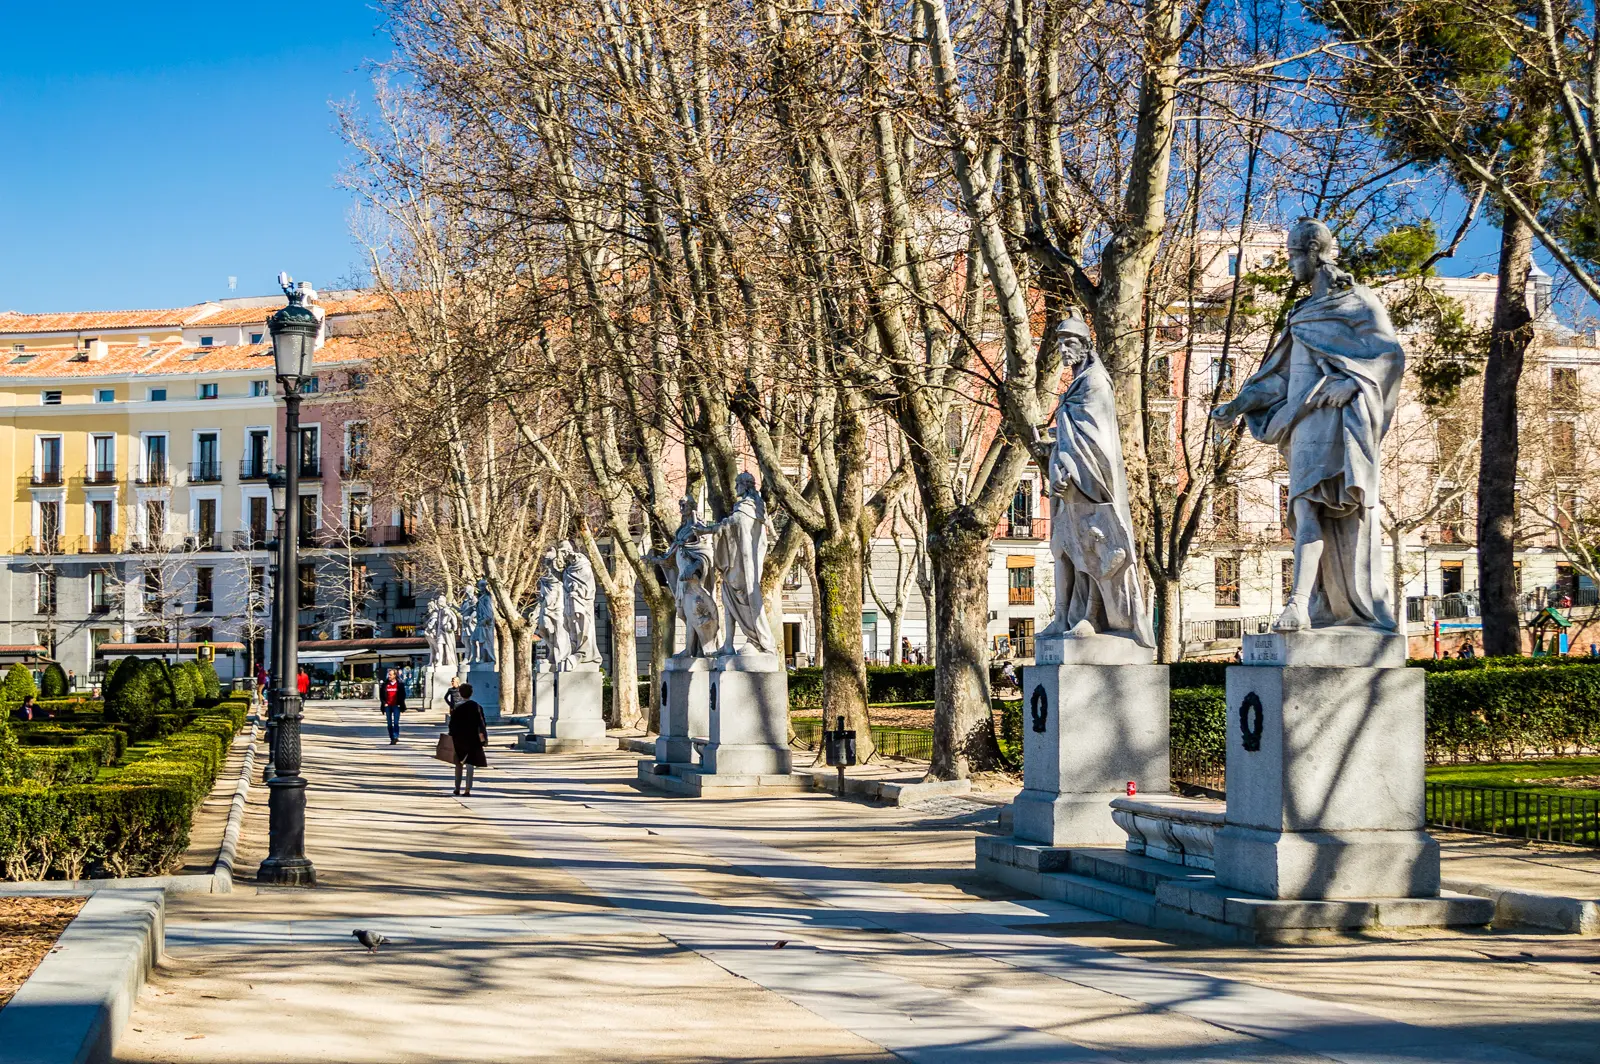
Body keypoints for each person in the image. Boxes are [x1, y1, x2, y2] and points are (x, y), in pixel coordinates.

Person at [448, 681, 489, 796]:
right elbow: (482, 723)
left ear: (460, 693)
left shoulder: (457, 707)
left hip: (459, 738)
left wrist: (451, 734)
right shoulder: (477, 706)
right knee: (470, 764)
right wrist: (484, 737)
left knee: (458, 763)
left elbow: (452, 724)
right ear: (471, 693)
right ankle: (467, 789)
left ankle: (457, 788)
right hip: (473, 738)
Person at [378, 668, 407, 744]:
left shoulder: (399, 684)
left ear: (395, 675)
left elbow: (403, 694)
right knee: (389, 723)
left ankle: (395, 736)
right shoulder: (385, 684)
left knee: (396, 722)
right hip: (388, 705)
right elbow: (381, 695)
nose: (389, 676)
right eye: (388, 674)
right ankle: (392, 738)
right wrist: (384, 703)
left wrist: (400, 703)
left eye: (391, 674)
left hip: (396, 705)